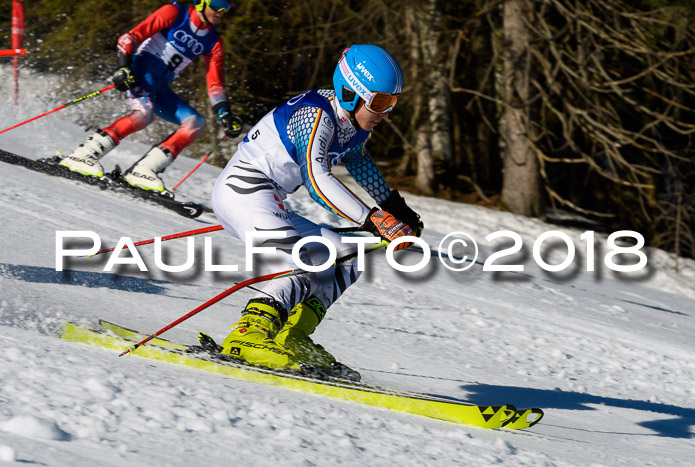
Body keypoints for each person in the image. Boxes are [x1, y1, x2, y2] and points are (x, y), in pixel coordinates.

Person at [211, 44, 423, 377]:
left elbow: (356, 160)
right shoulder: (315, 113)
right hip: (242, 191)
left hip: (271, 197)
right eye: (380, 102)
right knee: (295, 262)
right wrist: (375, 219)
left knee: (348, 256)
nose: (385, 112)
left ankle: (292, 336)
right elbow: (315, 176)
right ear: (352, 94)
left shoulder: (352, 124)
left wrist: (396, 208)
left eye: (392, 103)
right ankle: (248, 335)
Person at [59, 0, 241, 192]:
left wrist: (225, 113)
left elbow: (215, 83)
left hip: (161, 87)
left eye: (226, 7)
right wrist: (123, 66)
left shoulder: (214, 42)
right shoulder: (176, 12)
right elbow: (130, 37)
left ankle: (143, 170)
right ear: (201, 3)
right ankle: (83, 155)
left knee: (195, 122)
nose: (221, 11)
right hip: (141, 71)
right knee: (144, 114)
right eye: (217, 4)